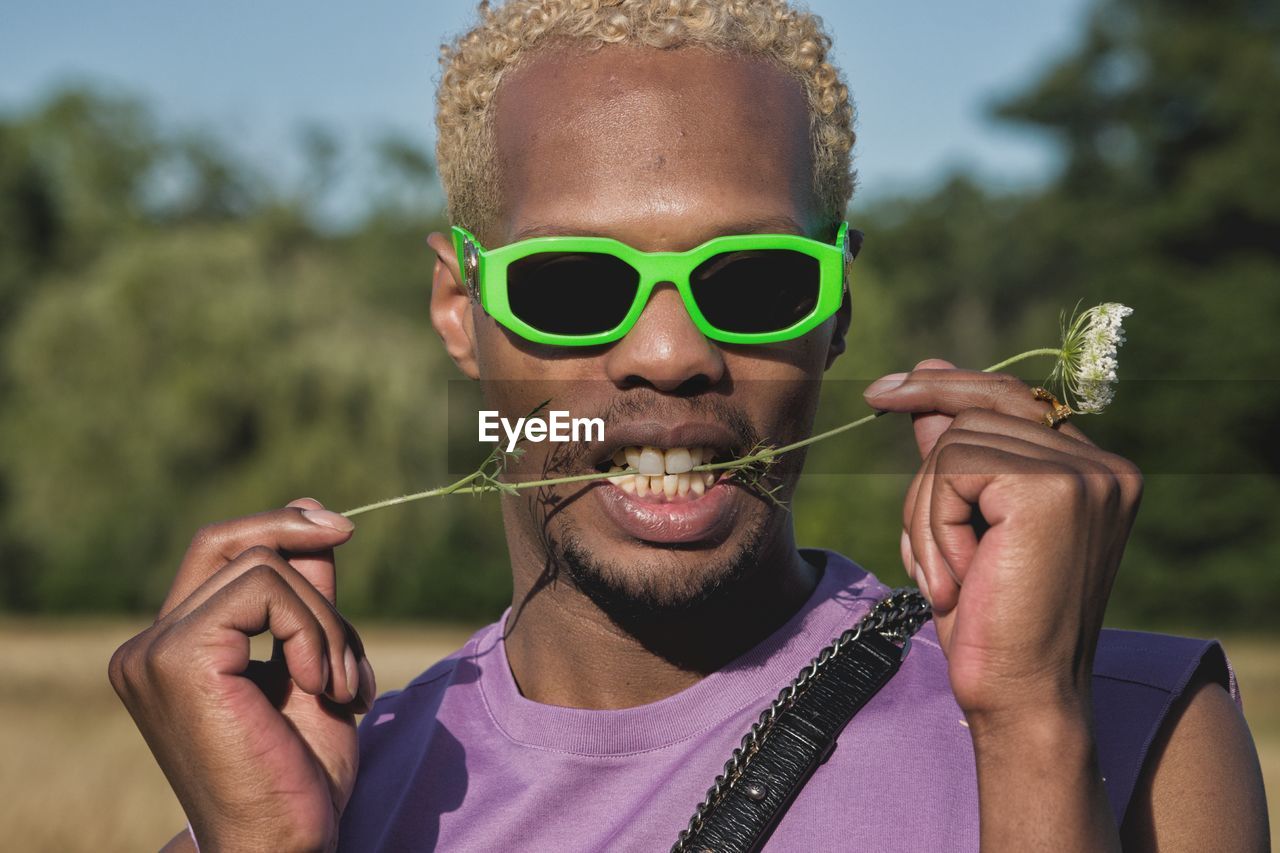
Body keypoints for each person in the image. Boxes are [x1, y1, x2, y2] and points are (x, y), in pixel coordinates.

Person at [109, 1, 1269, 850]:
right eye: (571, 285)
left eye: (756, 280)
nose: (668, 356)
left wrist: (1025, 731)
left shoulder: (1132, 730)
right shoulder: (292, 805)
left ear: (837, 312)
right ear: (461, 311)